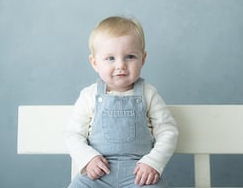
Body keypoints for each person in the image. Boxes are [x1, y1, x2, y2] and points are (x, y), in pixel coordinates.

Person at [64, 16, 178, 188]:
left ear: (143, 59)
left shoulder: (149, 94)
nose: (121, 65)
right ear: (94, 63)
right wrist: (88, 159)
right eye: (110, 58)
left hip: (138, 175)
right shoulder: (89, 95)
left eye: (130, 56)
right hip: (98, 175)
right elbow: (73, 135)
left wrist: (153, 162)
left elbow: (167, 132)